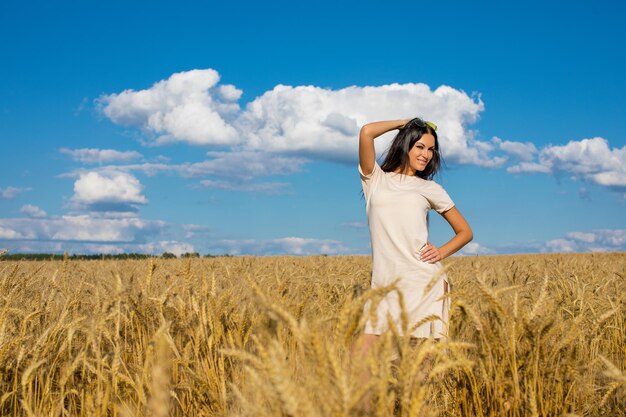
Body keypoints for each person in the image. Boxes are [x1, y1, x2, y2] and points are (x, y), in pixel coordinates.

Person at [351, 117, 473, 375]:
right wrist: (403, 123)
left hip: (422, 284)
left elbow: (465, 232)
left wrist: (440, 252)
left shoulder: (430, 188)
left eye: (431, 150)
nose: (426, 155)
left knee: (415, 375)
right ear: (406, 144)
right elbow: (366, 132)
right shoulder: (375, 180)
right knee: (358, 368)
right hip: (383, 287)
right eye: (420, 146)